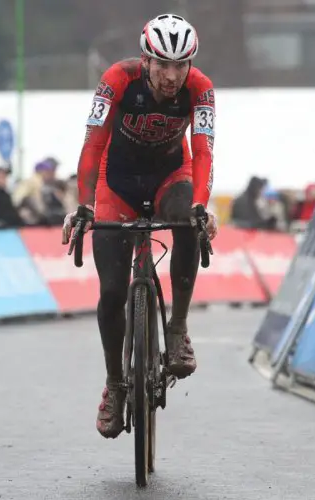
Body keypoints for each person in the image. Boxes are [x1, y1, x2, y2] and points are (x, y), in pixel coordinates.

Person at [60, 13, 218, 439]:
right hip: (118, 183)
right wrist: (84, 205)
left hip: (171, 175)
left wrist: (202, 204)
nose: (171, 76)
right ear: (145, 61)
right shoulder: (117, 79)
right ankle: (115, 384)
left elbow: (203, 153)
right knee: (111, 293)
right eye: (162, 65)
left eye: (180, 65)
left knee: (188, 220)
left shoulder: (200, 89)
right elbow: (93, 144)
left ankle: (179, 328)